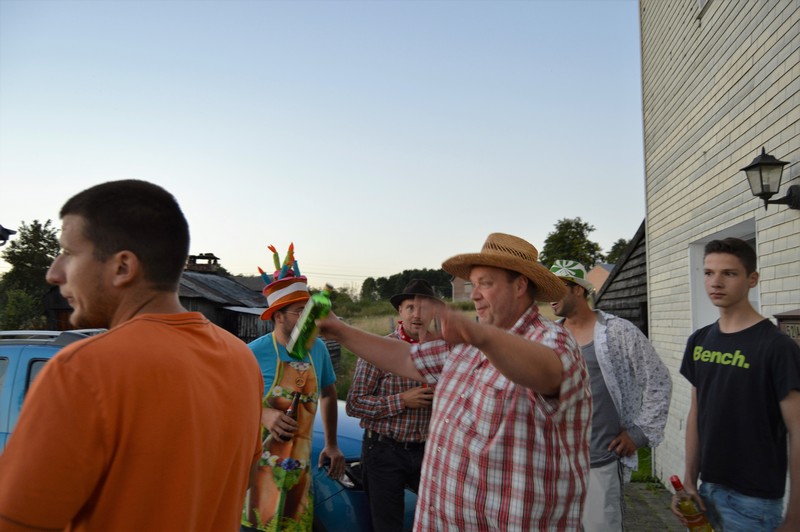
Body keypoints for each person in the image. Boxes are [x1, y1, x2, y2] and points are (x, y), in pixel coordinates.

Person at [0, 180, 264, 531]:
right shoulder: (240, 359)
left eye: (68, 253)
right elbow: (244, 480)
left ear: (123, 267)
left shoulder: (84, 369)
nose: (54, 273)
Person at [319, 233, 591, 530]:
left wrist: (482, 336)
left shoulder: (553, 340)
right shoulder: (466, 344)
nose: (474, 295)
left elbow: (548, 373)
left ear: (519, 286)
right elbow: (406, 357)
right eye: (473, 285)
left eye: (485, 283)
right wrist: (339, 330)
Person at [671, 237, 800, 531]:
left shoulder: (777, 346)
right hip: (706, 492)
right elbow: (696, 413)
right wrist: (689, 481)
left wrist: (796, 516)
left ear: (752, 279)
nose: (716, 282)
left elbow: (798, 430)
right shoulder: (699, 340)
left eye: (728, 273)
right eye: (709, 273)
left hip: (754, 502)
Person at [550, 259, 672, 532]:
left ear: (578, 289)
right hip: (556, 463)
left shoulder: (619, 332)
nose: (549, 296)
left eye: (556, 288)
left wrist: (639, 433)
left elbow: (658, 381)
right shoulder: (549, 337)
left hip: (600, 461)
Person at [243, 243, 344, 531]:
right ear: (279, 316)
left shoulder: (318, 349)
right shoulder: (251, 353)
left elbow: (328, 394)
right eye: (300, 311)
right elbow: (225, 402)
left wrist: (332, 444)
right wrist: (263, 414)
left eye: (309, 310)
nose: (308, 318)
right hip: (255, 472)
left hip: (299, 470)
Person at [346, 279, 440, 531]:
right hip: (384, 450)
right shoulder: (379, 350)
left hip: (429, 450)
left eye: (424, 308)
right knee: (388, 525)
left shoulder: (442, 352)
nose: (417, 315)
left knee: (440, 518)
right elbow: (354, 404)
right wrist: (402, 401)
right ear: (400, 311)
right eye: (411, 307)